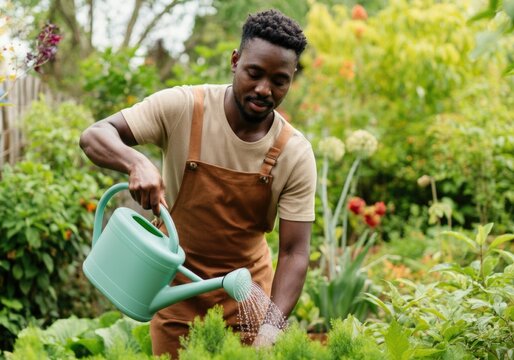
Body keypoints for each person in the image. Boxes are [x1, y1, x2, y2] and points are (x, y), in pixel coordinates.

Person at [79, 9, 316, 359]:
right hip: (174, 295)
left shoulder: (294, 153)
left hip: (246, 300)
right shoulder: (183, 108)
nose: (264, 89)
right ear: (235, 61)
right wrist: (136, 162)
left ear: (291, 79)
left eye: (279, 80)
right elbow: (95, 136)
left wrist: (271, 326)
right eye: (254, 73)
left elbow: (295, 252)